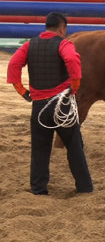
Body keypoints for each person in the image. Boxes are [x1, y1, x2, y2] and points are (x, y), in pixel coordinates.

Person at [7, 12, 93, 195]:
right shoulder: (63, 44)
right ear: (62, 29)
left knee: (40, 149)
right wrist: (74, 87)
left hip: (38, 106)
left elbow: (13, 65)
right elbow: (72, 60)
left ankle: (39, 189)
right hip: (62, 105)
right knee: (74, 146)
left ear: (46, 27)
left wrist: (22, 91)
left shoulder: (29, 45)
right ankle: (84, 188)